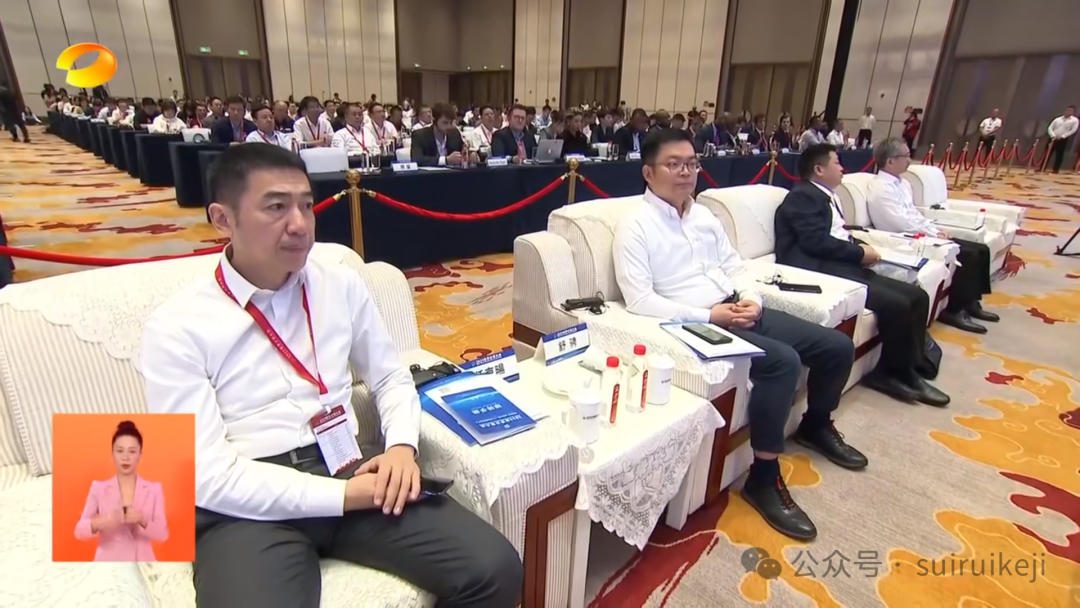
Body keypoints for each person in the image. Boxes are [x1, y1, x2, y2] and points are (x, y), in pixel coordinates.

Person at [140, 144, 522, 606]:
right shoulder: (177, 326)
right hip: (246, 504)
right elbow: (206, 475)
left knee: (495, 570)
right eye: (276, 207)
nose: (300, 224)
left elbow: (390, 377)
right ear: (223, 219)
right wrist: (346, 498)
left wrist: (402, 447)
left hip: (344, 463)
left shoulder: (338, 282)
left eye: (306, 205)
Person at [613, 129, 865, 540]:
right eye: (673, 164)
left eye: (691, 164)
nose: (685, 172)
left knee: (836, 346)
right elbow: (639, 299)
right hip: (693, 323)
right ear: (648, 172)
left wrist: (752, 299)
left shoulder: (703, 216)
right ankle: (763, 477)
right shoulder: (635, 225)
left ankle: (816, 424)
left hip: (736, 306)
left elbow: (734, 267)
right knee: (781, 362)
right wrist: (709, 315)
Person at [774, 144, 949, 407]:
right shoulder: (803, 197)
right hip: (818, 268)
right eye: (836, 162)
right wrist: (859, 253)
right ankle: (892, 374)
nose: (842, 168)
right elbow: (814, 242)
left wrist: (860, 246)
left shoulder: (825, 195)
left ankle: (911, 364)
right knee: (897, 304)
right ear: (819, 169)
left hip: (838, 261)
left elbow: (837, 234)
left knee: (916, 295)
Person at [866, 137, 998, 333]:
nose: (910, 160)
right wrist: (932, 233)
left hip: (922, 232)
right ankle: (954, 310)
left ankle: (971, 301)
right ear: (890, 161)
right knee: (968, 254)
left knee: (981, 249)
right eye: (905, 156)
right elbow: (899, 222)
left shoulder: (903, 183)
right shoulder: (880, 187)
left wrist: (934, 229)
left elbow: (913, 214)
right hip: (904, 238)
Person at [74, 421, 168, 561]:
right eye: (120, 451)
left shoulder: (154, 489)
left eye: (132, 451)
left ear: (140, 455)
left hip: (143, 563)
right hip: (108, 563)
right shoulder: (98, 488)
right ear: (112, 454)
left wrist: (141, 520)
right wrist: (104, 521)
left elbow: (162, 534)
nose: (125, 457)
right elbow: (79, 531)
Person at [1046, 105, 1078, 173]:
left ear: (1073, 112)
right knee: (1047, 153)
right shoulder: (1058, 119)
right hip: (1053, 138)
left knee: (1059, 155)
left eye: (1071, 111)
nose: (1068, 112)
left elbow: (1073, 130)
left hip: (1063, 139)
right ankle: (1042, 167)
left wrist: (1063, 136)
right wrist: (1053, 135)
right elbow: (1050, 128)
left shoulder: (1074, 120)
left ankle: (1055, 169)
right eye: (1068, 110)